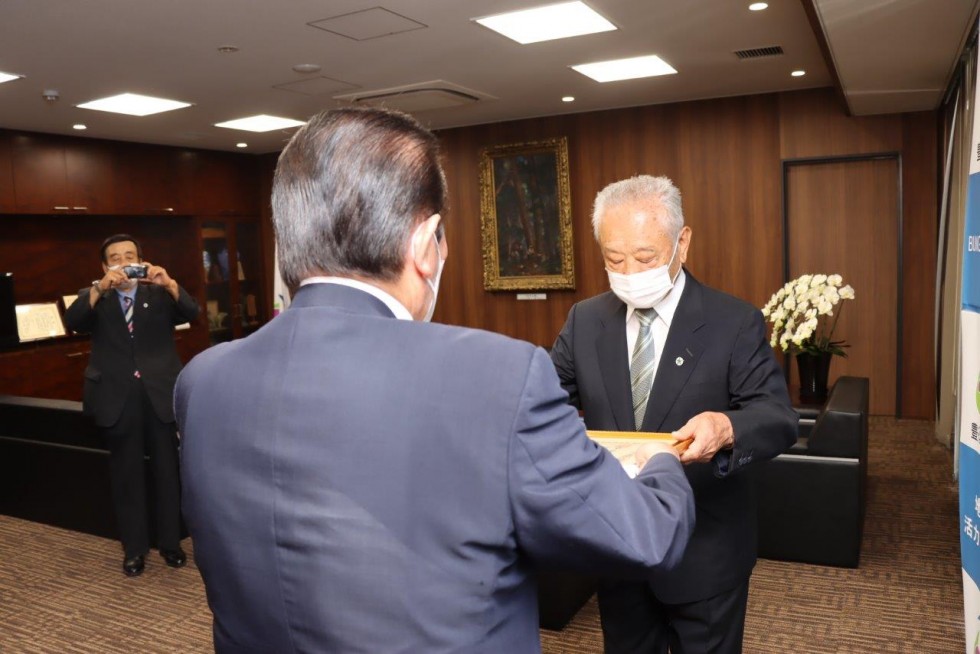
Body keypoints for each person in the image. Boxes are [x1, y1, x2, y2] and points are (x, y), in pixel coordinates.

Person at [174, 107, 696, 654]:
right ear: (426, 244)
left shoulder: (203, 380)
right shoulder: (497, 376)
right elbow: (642, 537)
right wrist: (658, 461)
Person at [550, 175, 798, 654]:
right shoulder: (586, 320)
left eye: (644, 258)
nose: (629, 271)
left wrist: (726, 427)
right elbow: (546, 395)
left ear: (683, 242)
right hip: (619, 545)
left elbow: (776, 416)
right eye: (613, 259)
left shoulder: (733, 321)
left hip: (704, 550)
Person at [64, 234, 200, 577]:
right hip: (117, 398)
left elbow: (192, 312)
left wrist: (169, 283)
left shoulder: (158, 293)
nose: (123, 261)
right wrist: (98, 289)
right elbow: (73, 321)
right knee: (127, 476)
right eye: (115, 257)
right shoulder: (95, 297)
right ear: (105, 266)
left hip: (158, 395)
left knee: (168, 473)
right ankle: (134, 550)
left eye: (130, 255)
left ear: (142, 259)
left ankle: (171, 544)